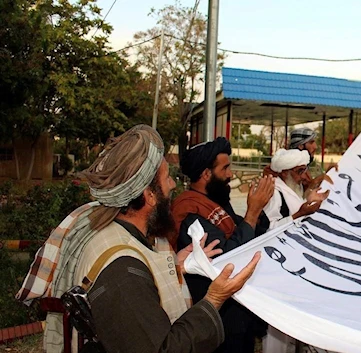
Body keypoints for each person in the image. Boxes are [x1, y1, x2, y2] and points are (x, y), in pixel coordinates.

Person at [16, 125, 261, 353]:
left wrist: (178, 266)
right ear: (149, 196)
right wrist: (214, 299)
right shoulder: (122, 273)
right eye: (167, 179)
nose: (173, 185)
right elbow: (163, 347)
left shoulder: (118, 231)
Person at [172, 137, 274, 353]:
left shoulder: (217, 202)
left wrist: (258, 205)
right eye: (225, 168)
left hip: (237, 315)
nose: (230, 174)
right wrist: (252, 212)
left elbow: (253, 229)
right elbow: (227, 259)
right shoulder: (191, 212)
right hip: (219, 321)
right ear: (206, 174)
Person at [262, 149, 330, 230]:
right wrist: (299, 214)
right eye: (299, 171)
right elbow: (268, 228)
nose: (303, 176)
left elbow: (297, 205)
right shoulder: (274, 192)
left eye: (304, 170)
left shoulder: (294, 185)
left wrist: (309, 199)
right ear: (285, 173)